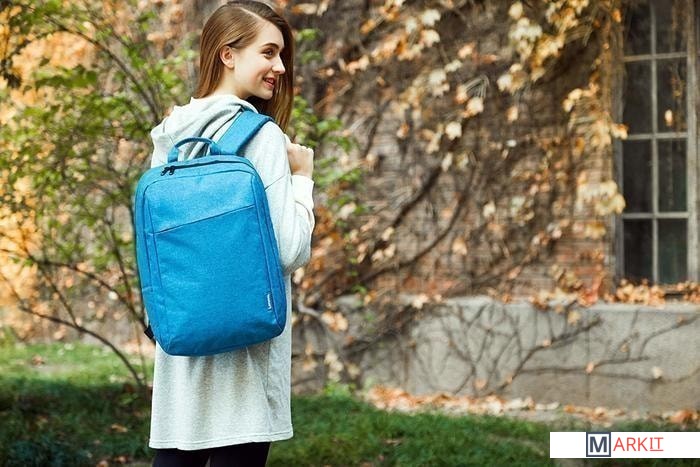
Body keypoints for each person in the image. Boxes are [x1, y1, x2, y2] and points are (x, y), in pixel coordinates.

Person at [146, 2, 315, 466]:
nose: (280, 67)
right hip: (244, 361)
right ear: (228, 54)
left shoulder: (171, 134)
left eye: (281, 55)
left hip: (181, 354)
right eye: (268, 53)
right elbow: (289, 250)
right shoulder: (261, 136)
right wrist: (303, 178)